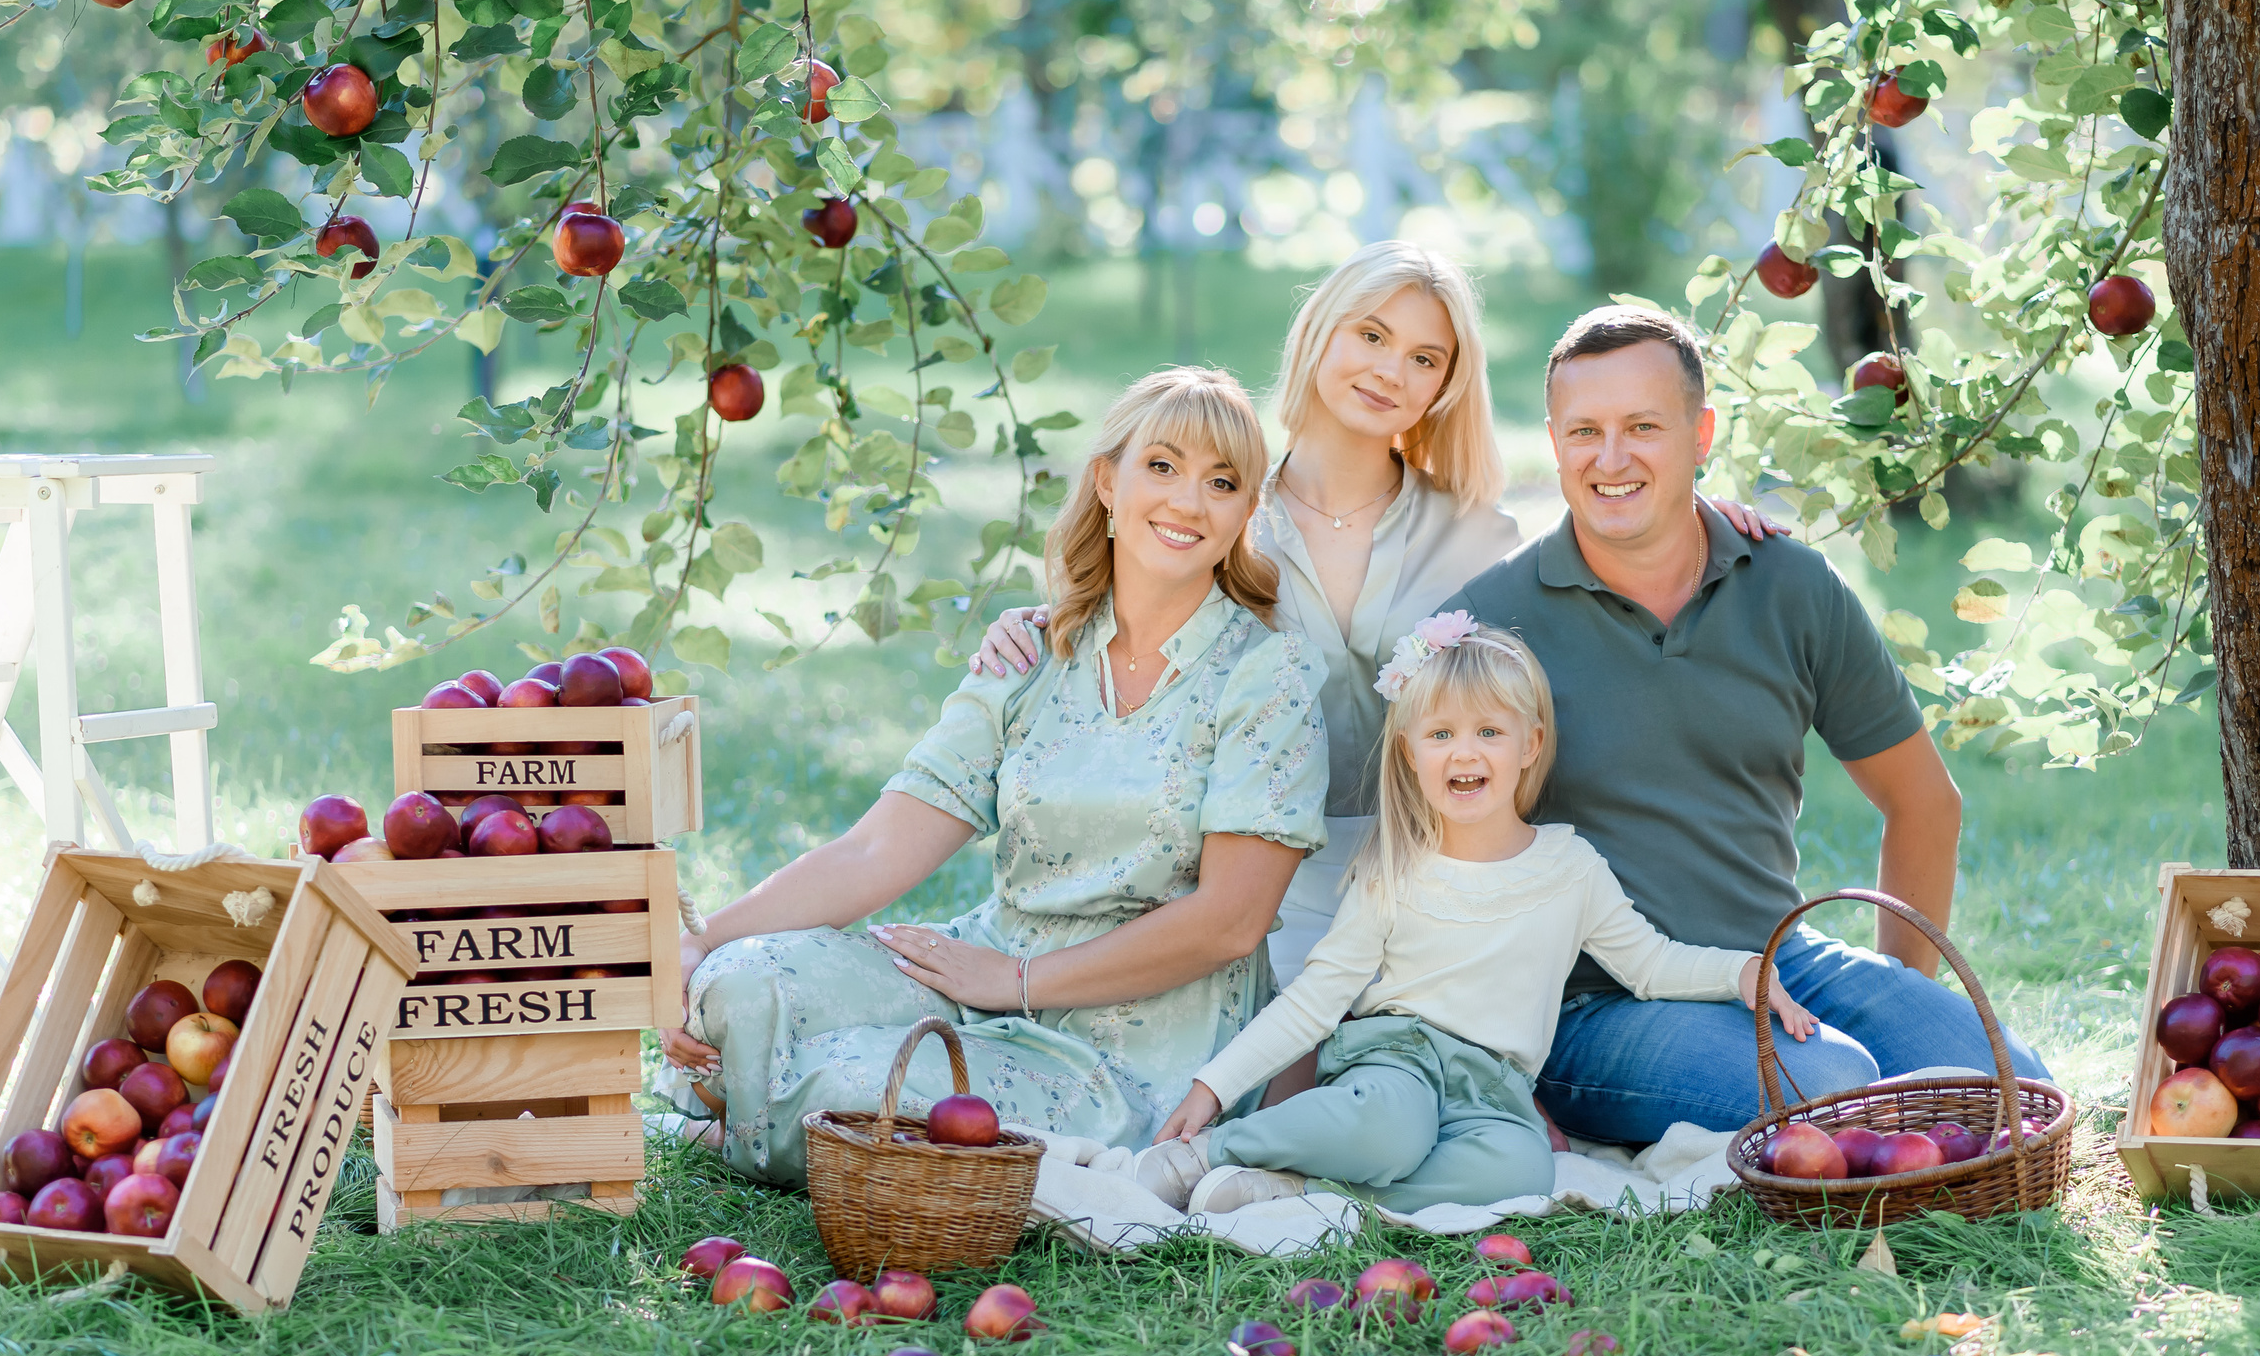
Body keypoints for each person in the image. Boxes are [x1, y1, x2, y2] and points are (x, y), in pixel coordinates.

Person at [968, 242, 1782, 997]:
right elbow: (1138, 609)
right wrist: (1047, 621)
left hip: (1435, 888)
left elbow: (1598, 571)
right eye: (1372, 334)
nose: (1391, 370)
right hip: (1244, 881)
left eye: (1424, 358)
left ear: (1444, 386)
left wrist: (1693, 515)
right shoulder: (1220, 516)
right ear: (1322, 331)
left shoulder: (1478, 536)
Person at [660, 367, 1331, 1185]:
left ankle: (747, 1115)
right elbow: (876, 852)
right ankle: (772, 1108)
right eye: (1162, 465)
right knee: (740, 986)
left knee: (852, 1083)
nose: (1189, 501)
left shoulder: (1267, 676)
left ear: (1245, 514)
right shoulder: (1030, 654)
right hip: (985, 965)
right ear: (1107, 483)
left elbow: (1230, 921)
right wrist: (701, 941)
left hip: (1139, 1045)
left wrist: (1019, 983)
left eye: (1222, 482)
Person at [1438, 306, 2051, 1142]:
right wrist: (1490, 1066)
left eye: (1643, 427)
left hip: (1775, 960)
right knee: (1839, 1088)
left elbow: (1924, 804)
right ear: (1553, 441)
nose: (1610, 459)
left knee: (2014, 1091)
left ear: (1702, 434)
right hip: (1591, 1005)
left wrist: (1897, 999)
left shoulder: (1792, 586)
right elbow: (1421, 858)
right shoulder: (1487, 623)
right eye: (1584, 430)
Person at [1126, 617, 1818, 1215]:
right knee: (1388, 1129)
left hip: (1493, 1086)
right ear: (1411, 751)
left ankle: (1304, 1192)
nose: (1465, 750)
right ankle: (1213, 1155)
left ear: (1530, 745)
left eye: (1490, 730)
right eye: (1442, 732)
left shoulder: (1570, 867)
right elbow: (1317, 998)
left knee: (1519, 1171)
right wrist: (1212, 1089)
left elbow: (1649, 963)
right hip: (1397, 1062)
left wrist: (1742, 970)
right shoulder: (1394, 870)